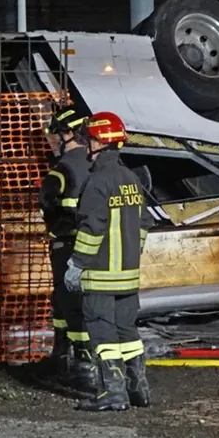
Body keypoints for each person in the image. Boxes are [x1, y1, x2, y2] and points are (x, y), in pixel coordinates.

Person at [65, 111, 154, 412]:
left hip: (100, 275)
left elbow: (91, 229)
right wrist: (132, 252)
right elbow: (144, 223)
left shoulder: (97, 182)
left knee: (102, 334)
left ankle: (113, 394)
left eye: (89, 139)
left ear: (100, 143)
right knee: (127, 332)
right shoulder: (132, 179)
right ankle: (138, 389)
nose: (86, 145)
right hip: (128, 276)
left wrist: (76, 264)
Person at [38, 103, 97, 391]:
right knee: (72, 301)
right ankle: (68, 357)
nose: (53, 140)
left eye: (57, 134)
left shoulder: (62, 169)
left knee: (68, 301)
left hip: (65, 245)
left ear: (70, 134)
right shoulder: (97, 164)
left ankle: (76, 364)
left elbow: (47, 200)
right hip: (94, 245)